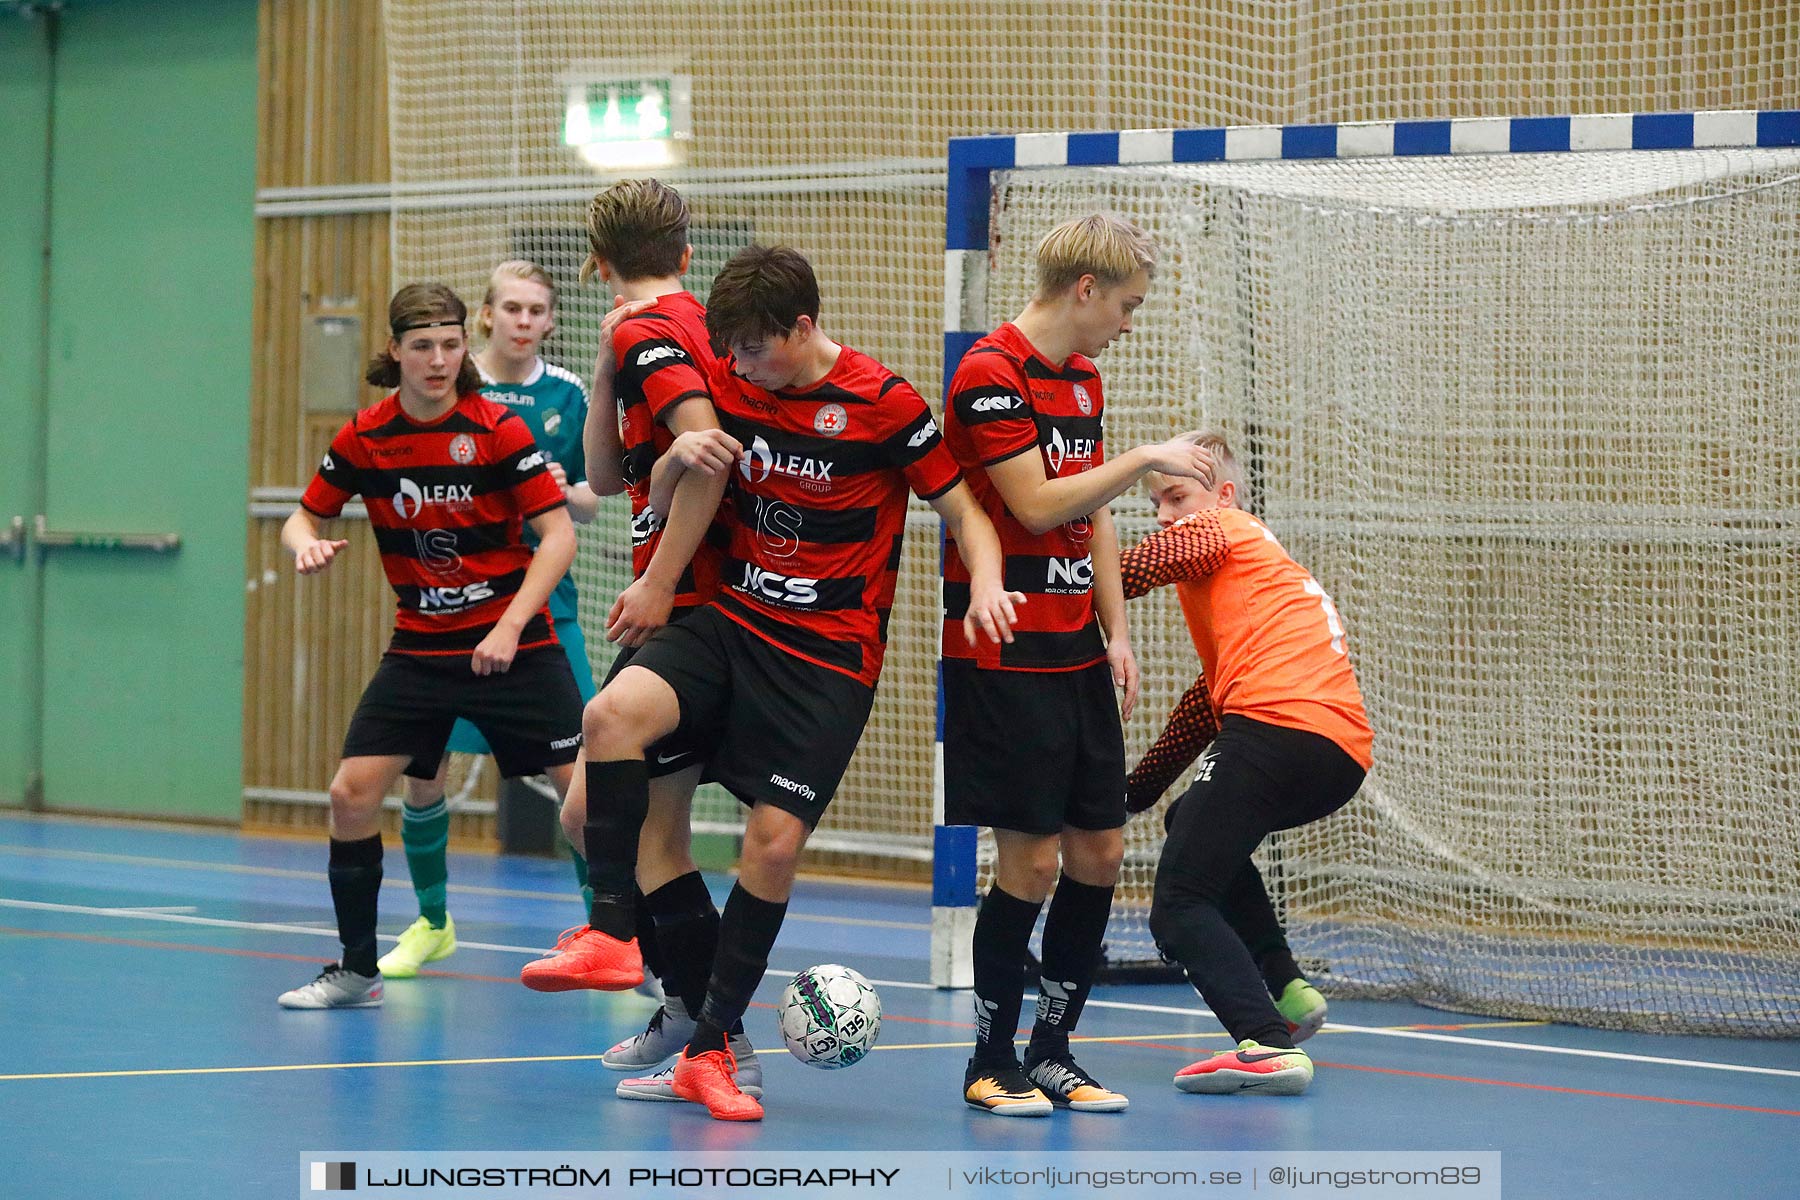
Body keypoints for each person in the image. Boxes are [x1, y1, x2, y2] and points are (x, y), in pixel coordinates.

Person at [529, 243, 1022, 1121]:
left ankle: (713, 1047)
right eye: (732, 354)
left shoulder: (885, 403)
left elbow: (965, 512)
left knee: (772, 845)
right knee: (610, 719)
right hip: (733, 624)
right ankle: (610, 932)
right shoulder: (732, 378)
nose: (741, 367)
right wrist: (657, 572)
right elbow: (675, 475)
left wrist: (985, 583)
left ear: (803, 328)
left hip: (827, 658)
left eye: (755, 350)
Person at [939, 213, 1214, 1117]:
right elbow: (1033, 498)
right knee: (1030, 863)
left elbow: (1089, 515)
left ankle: (1055, 1050)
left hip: (1075, 648)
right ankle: (991, 1060)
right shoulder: (988, 373)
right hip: (1006, 646)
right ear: (1085, 290)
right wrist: (1143, 458)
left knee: (1100, 848)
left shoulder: (1084, 379)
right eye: (1127, 305)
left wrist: (1117, 633)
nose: (1129, 324)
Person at [514, 178, 759, 1103]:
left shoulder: (657, 331)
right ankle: (700, 1024)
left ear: (600, 259)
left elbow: (708, 445)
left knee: (610, 795)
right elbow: (604, 474)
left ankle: (628, 949)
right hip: (687, 603)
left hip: (693, 607)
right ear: (686, 255)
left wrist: (658, 583)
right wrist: (611, 368)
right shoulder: (656, 331)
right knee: (605, 821)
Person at [276, 282, 584, 1009]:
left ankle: (649, 959)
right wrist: (305, 547)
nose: (440, 360)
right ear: (396, 351)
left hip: (519, 649)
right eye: (423, 348)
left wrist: (508, 625)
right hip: (421, 649)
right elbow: (300, 516)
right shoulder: (366, 436)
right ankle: (357, 970)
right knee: (350, 796)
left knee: (588, 804)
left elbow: (559, 534)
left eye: (450, 345)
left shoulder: (498, 431)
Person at [1119, 431, 1372, 1095]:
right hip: (1334, 752)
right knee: (1193, 827)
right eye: (1155, 503)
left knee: (1178, 904)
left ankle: (1264, 1042)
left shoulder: (1224, 528)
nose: (1166, 514)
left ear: (1223, 494)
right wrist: (1132, 794)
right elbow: (1203, 706)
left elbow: (1135, 570)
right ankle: (1285, 988)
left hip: (1280, 729)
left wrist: (1062, 578)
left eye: (1177, 495)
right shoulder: (1251, 583)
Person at [378, 260, 600, 981]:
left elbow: (598, 496)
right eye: (512, 308)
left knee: (587, 782)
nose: (524, 321)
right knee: (423, 769)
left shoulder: (568, 396)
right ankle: (433, 921)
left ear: (551, 321)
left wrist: (571, 492)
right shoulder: (446, 384)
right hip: (454, 610)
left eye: (537, 310)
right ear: (487, 315)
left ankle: (610, 932)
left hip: (543, 613)